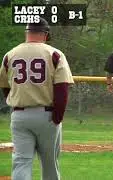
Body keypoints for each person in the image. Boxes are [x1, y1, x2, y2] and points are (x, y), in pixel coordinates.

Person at [0, 18, 74, 179]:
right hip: (46, 115)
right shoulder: (54, 53)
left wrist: (16, 103)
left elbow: (5, 87)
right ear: (45, 34)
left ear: (26, 33)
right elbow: (62, 89)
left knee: (21, 161)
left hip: (19, 116)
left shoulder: (10, 54)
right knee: (49, 164)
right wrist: (57, 117)